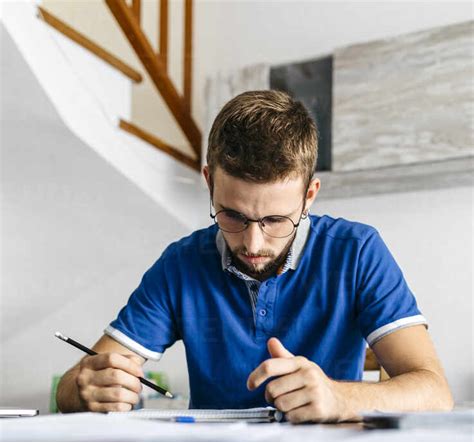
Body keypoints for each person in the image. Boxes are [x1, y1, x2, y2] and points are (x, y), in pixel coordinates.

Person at [56, 90, 453, 422]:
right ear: (209, 182)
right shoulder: (180, 264)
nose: (253, 243)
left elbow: (435, 393)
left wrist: (339, 398)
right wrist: (84, 387)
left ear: (309, 195)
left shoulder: (357, 252)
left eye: (276, 219)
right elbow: (72, 386)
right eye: (232, 215)